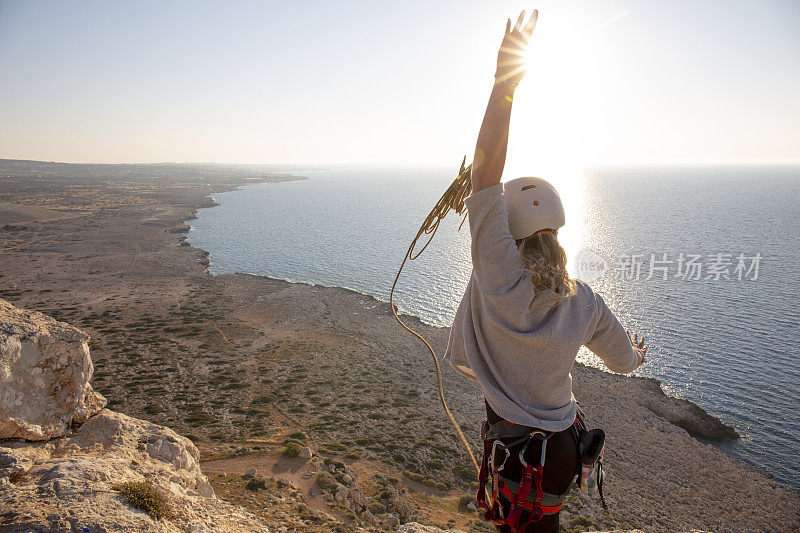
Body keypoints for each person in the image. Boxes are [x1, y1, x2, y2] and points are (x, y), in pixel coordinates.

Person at [444, 9, 648, 533]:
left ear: (508, 236)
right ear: (557, 235)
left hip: (512, 450)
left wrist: (505, 81)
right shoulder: (585, 303)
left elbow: (486, 174)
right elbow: (624, 362)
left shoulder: (497, 278)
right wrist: (637, 352)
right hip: (557, 453)